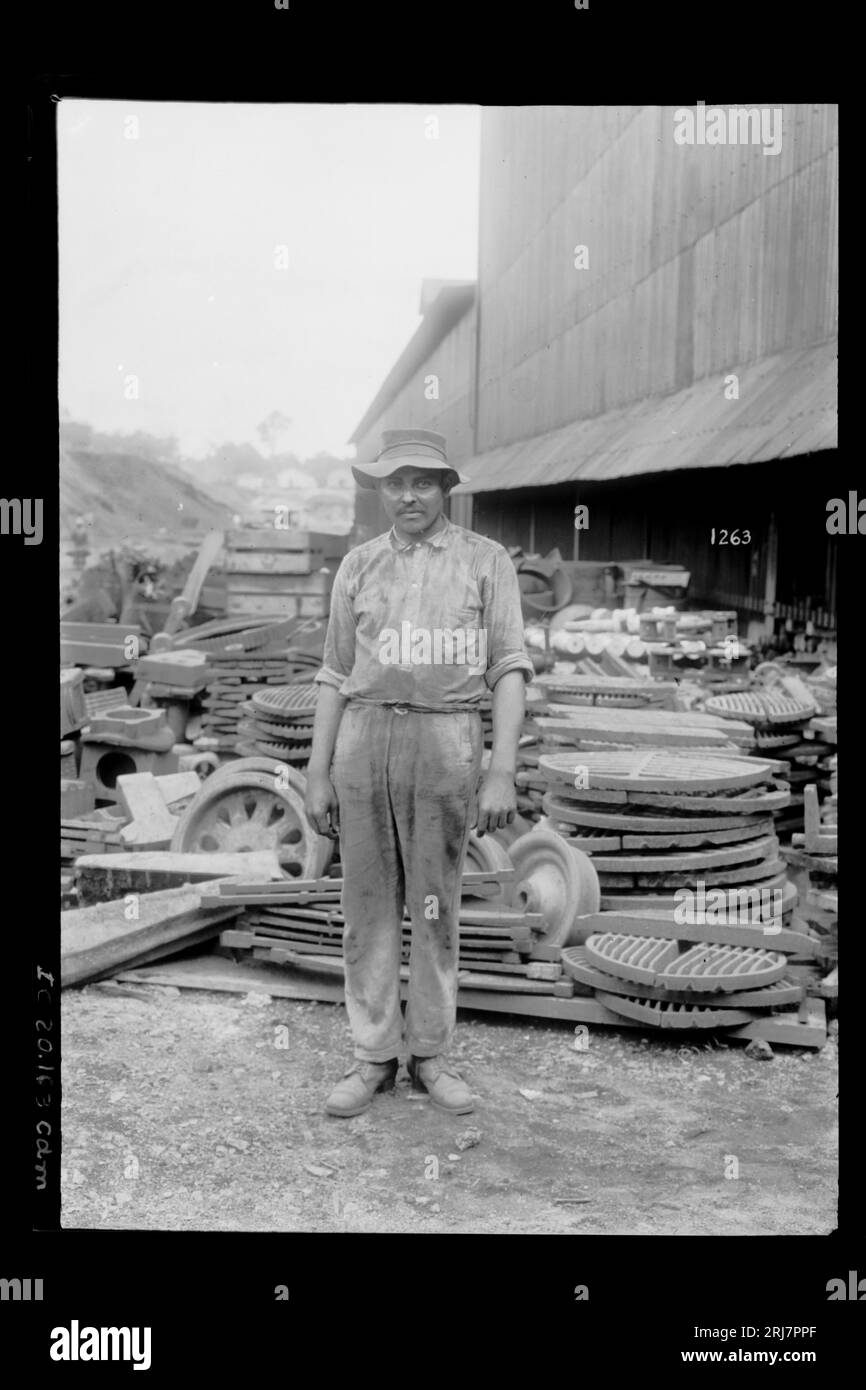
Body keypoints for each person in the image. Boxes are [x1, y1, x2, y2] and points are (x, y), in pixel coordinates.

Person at [304, 428, 533, 1118]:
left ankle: (430, 1055)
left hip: (445, 739)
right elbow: (335, 674)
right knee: (367, 909)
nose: (408, 494)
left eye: (423, 482)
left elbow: (509, 668)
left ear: (445, 490)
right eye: (394, 482)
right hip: (365, 737)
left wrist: (501, 769)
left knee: (434, 908)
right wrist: (316, 771)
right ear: (379, 490)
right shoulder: (358, 566)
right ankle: (373, 1056)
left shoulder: (486, 563)